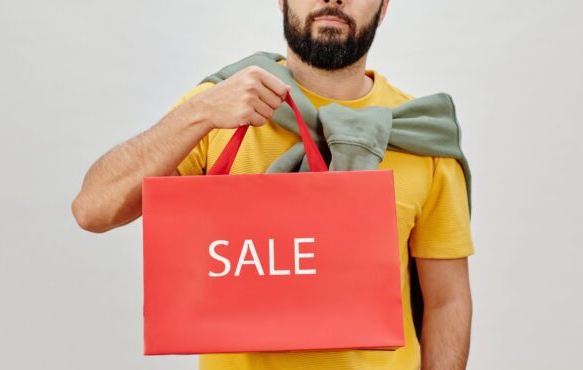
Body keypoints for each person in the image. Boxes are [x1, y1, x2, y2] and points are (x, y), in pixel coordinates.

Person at [71, 0, 474, 369]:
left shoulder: (420, 133)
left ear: (384, 6)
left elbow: (446, 300)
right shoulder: (220, 107)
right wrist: (200, 113)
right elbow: (93, 210)